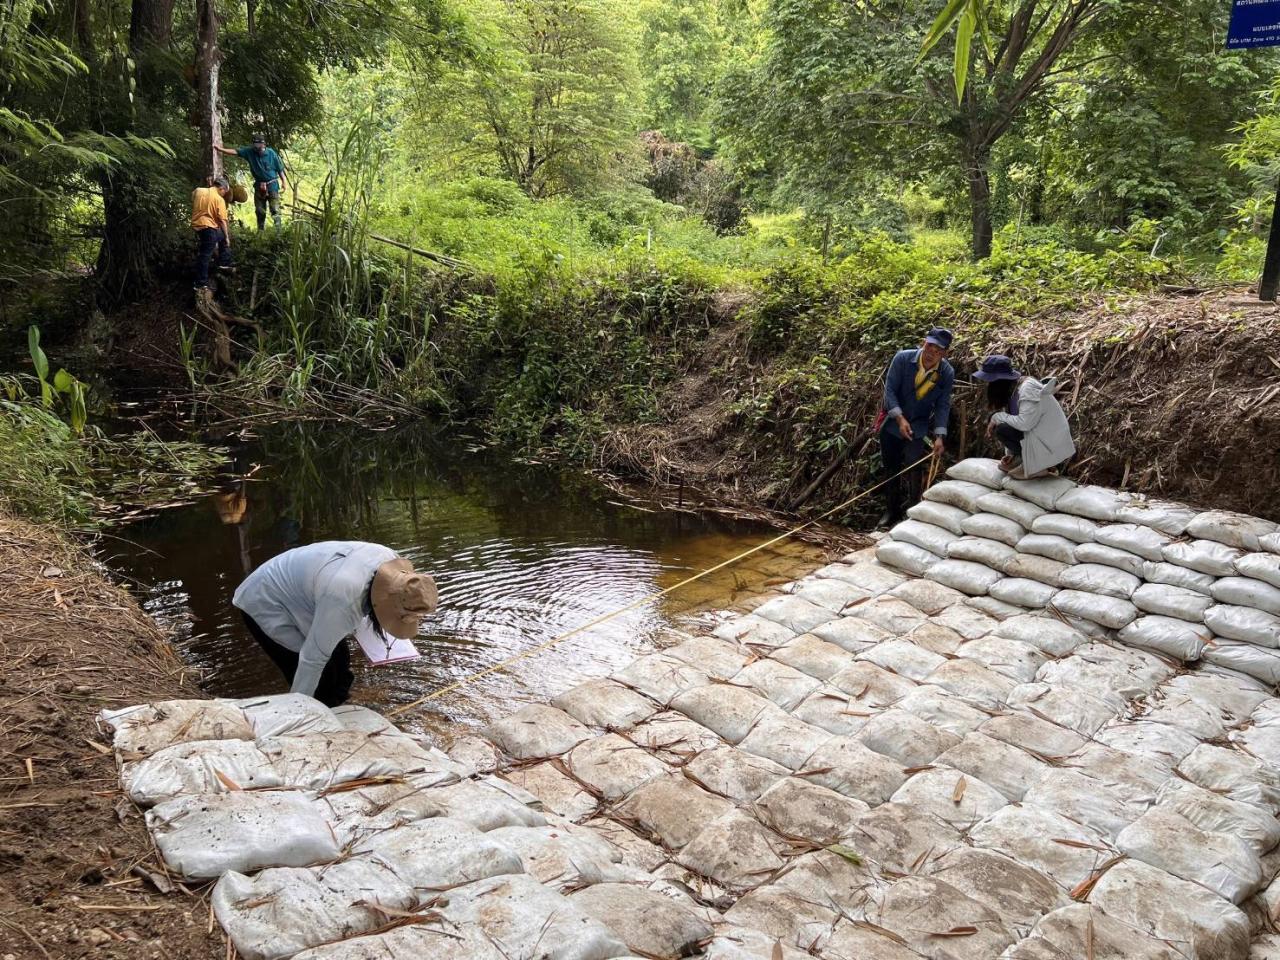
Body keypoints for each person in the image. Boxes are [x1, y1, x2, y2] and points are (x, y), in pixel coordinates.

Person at [232, 542, 437, 706]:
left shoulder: (391, 562)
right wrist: (297, 710)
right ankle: (316, 718)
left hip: (311, 593)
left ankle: (339, 707)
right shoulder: (343, 598)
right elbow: (311, 659)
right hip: (266, 599)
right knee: (319, 681)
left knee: (341, 669)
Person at [877, 328, 955, 526]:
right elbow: (890, 391)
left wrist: (939, 435)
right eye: (930, 346)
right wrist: (899, 418)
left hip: (918, 427)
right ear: (923, 343)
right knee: (891, 468)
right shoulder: (903, 359)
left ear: (944, 353)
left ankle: (912, 510)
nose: (932, 352)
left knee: (914, 466)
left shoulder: (946, 372)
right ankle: (891, 510)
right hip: (893, 424)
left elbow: (943, 405)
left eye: (938, 350)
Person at [974, 355, 1076, 480]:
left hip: (1049, 445)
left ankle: (1039, 467)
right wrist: (1012, 453)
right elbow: (1016, 424)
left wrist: (996, 416)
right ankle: (1022, 459)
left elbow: (1025, 424)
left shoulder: (1027, 388)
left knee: (1001, 429)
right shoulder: (1012, 391)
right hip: (1036, 438)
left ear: (999, 381)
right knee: (1002, 428)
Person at [216, 134, 288, 230]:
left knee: (275, 209)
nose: (257, 147)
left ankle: (278, 232)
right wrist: (221, 149)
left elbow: (279, 169)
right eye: (255, 144)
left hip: (272, 185)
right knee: (259, 210)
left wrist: (284, 181)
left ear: (263, 144)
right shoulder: (250, 152)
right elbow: (236, 151)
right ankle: (260, 231)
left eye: (258, 144)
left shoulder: (271, 153)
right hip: (259, 186)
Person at [191, 175, 233, 290]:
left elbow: (193, 197)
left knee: (216, 240)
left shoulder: (198, 191)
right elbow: (223, 221)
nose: (224, 194)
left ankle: (223, 264)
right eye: (225, 191)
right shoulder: (219, 200)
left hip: (198, 226)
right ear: (221, 188)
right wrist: (227, 236)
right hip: (208, 229)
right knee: (205, 255)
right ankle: (200, 283)